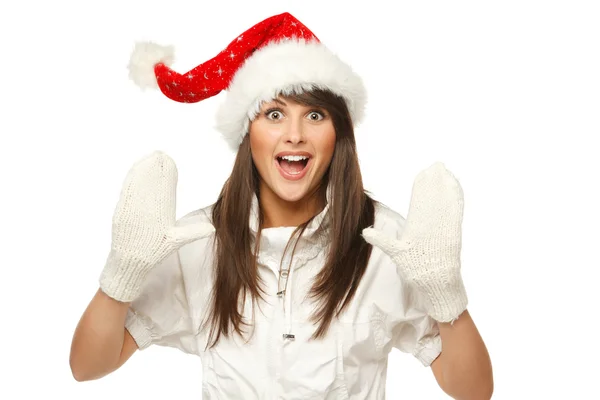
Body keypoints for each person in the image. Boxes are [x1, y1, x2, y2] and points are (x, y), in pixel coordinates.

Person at [69, 12, 493, 399]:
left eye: (314, 115)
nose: (294, 135)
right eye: (274, 114)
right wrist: (122, 273)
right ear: (247, 132)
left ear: (337, 133)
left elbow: (475, 391)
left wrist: (446, 295)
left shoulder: (386, 241)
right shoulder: (196, 242)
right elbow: (88, 367)